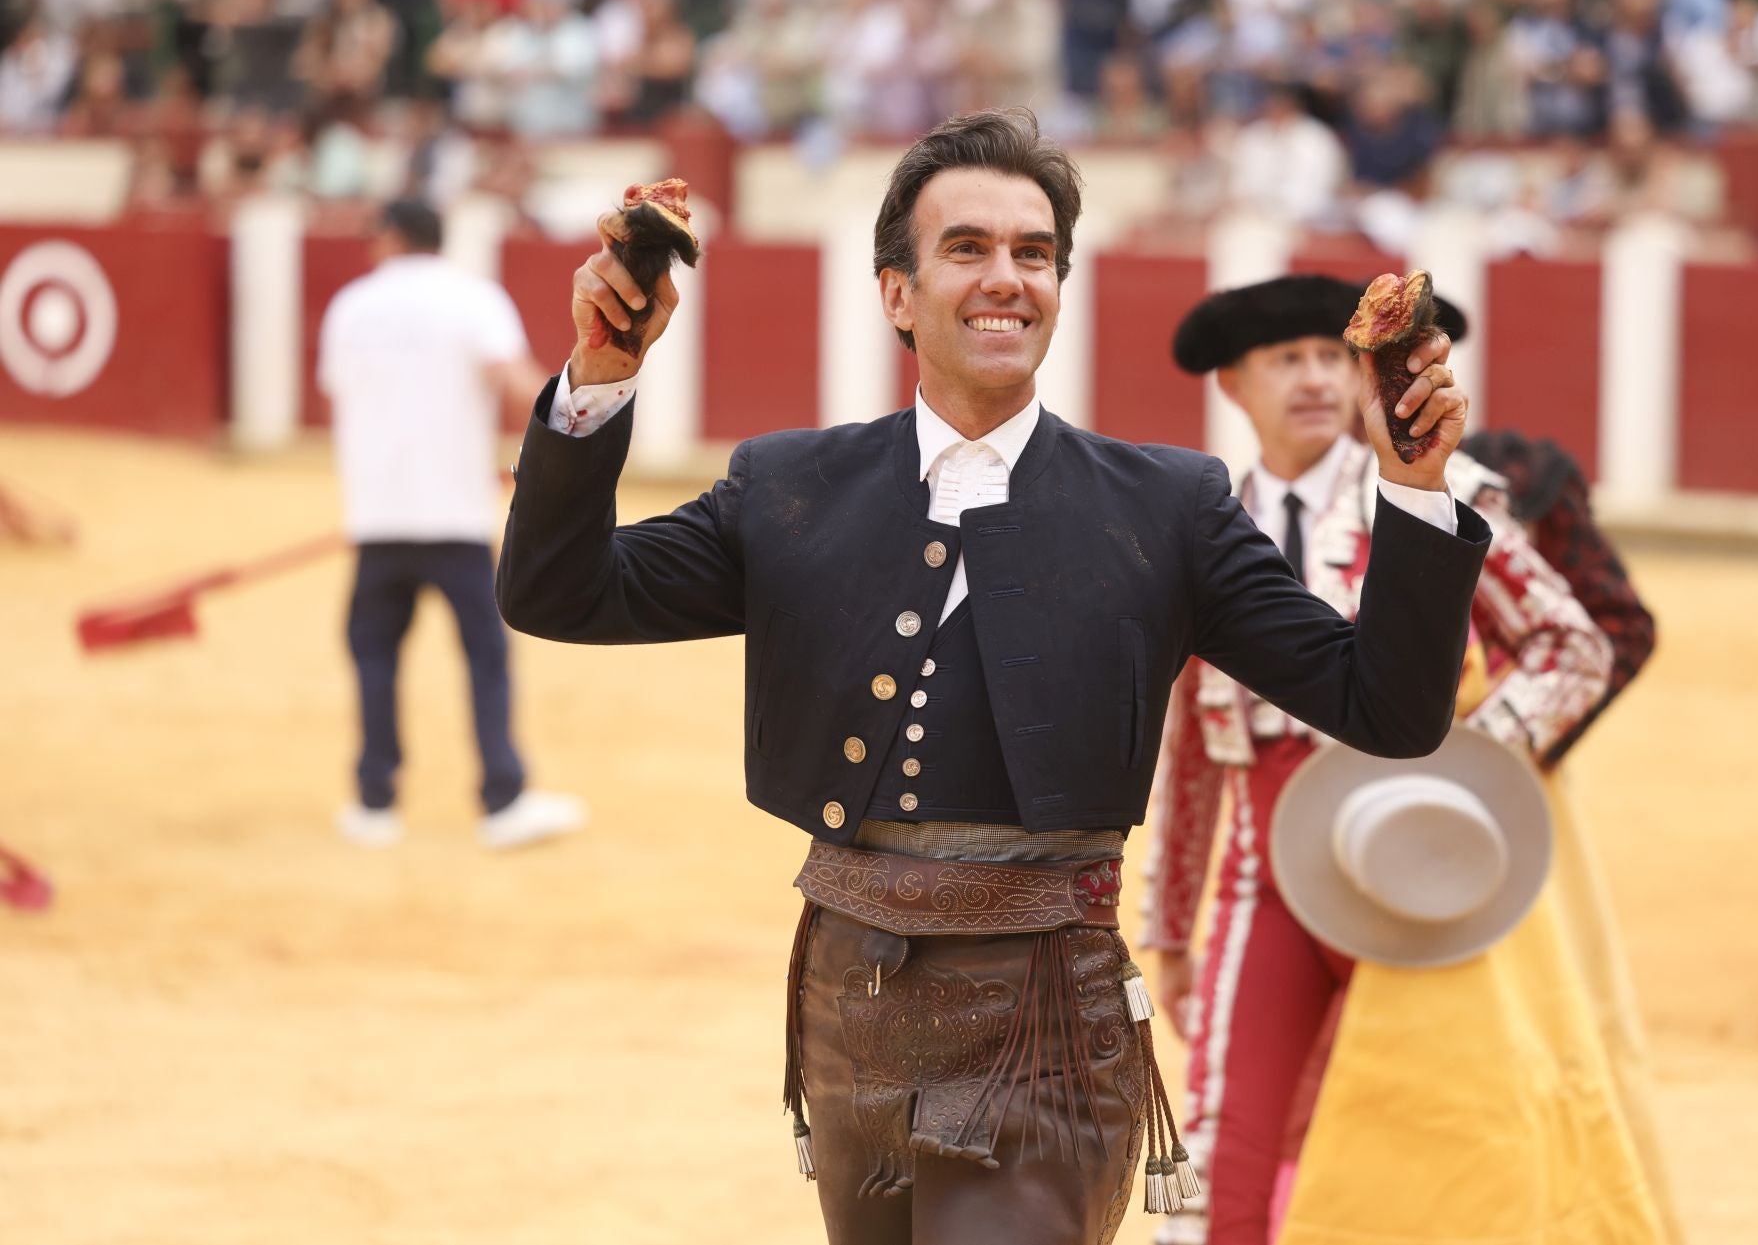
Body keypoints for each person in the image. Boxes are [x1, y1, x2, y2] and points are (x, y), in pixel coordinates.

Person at [495, 108, 1489, 1245]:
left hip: (1051, 1021)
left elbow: (1389, 709)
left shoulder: (1168, 508)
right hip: (851, 1002)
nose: (1005, 277)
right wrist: (599, 379)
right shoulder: (788, 486)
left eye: (1033, 253)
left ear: (1060, 288)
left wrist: (1413, 492)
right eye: (966, 248)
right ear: (897, 294)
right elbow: (558, 595)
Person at [1140, 275, 1674, 1245]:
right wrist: (1171, 930)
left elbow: (1574, 644)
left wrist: (1464, 777)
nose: (1310, 380)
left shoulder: (1444, 493)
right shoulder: (1198, 521)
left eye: (1328, 358)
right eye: (1282, 359)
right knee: (1226, 1134)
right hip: (1266, 882)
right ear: (1233, 385)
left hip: (1424, 877)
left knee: (1434, 1131)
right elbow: (1190, 749)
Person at [319, 199, 584, 850]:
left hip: (377, 516)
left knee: (375, 655)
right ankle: (502, 800)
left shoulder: (351, 306)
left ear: (389, 237)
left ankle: (374, 803)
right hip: (456, 515)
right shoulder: (472, 299)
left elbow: (342, 396)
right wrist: (577, 428)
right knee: (485, 656)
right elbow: (516, 382)